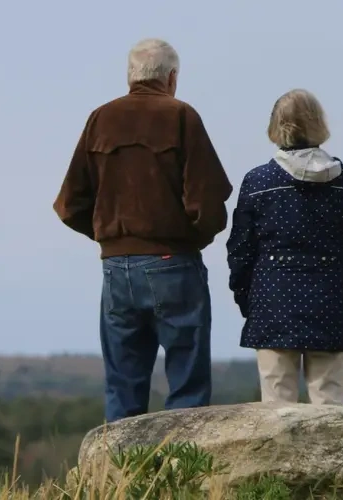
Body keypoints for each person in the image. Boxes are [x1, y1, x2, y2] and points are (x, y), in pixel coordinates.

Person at [53, 38, 233, 422]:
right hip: (174, 264)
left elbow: (69, 205)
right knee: (186, 386)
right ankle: (182, 476)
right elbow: (209, 204)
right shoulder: (181, 117)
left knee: (122, 386)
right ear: (171, 78)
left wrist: (113, 238)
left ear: (130, 76)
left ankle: (121, 477)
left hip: (116, 269)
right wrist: (188, 241)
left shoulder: (100, 119)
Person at [226, 89, 343, 406]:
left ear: (275, 126)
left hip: (273, 305)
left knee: (275, 412)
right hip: (333, 304)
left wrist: (248, 302)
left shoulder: (258, 182)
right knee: (330, 412)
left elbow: (240, 253)